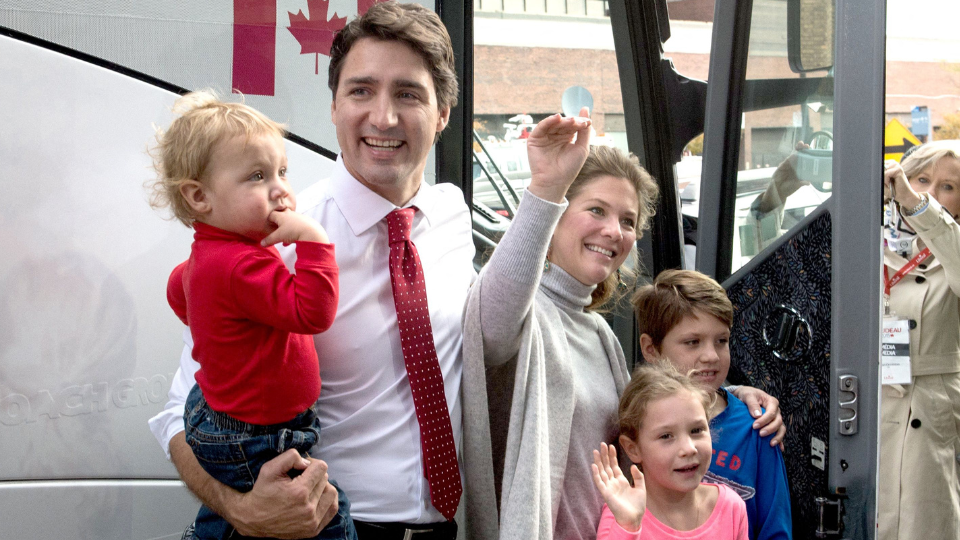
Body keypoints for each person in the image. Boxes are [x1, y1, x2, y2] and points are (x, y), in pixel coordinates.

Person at [148, 3, 474, 539]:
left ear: (442, 114)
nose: (383, 117)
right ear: (334, 106)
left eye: (408, 94)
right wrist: (239, 508)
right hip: (327, 526)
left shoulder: (452, 217)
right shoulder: (276, 240)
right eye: (361, 91)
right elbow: (175, 415)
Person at [460, 115, 786, 540]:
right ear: (555, 215)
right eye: (596, 210)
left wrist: (732, 394)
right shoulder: (522, 316)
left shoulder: (600, 335)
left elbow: (650, 414)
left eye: (628, 221)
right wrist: (546, 187)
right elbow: (491, 325)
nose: (613, 231)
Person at [147, 91, 354, 540]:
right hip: (256, 433)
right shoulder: (242, 264)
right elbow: (313, 312)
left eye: (282, 171)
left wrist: (224, 336)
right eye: (258, 176)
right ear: (199, 196)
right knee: (327, 517)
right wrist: (314, 240)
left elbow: (177, 291)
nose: (280, 189)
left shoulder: (208, 256)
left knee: (238, 511)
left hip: (212, 412)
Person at [633, 270, 792, 540]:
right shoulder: (636, 420)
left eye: (721, 341)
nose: (711, 356)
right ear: (651, 349)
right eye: (692, 342)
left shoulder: (757, 427)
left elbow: (775, 529)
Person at [878, 141, 960, 540]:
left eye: (948, 186)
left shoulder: (953, 248)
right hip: (868, 401)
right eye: (921, 179)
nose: (928, 192)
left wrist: (918, 206)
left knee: (923, 521)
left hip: (931, 408)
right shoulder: (868, 239)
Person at [591, 364, 749, 540]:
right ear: (632, 449)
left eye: (696, 430)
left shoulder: (731, 507)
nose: (689, 448)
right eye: (666, 436)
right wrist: (628, 526)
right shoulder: (621, 514)